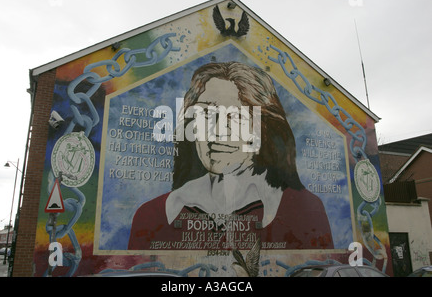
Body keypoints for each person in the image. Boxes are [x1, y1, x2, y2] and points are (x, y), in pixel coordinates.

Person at [128, 61, 333, 251]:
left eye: (236, 116)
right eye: (206, 114)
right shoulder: (152, 216)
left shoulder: (303, 212)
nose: (217, 130)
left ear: (261, 127)